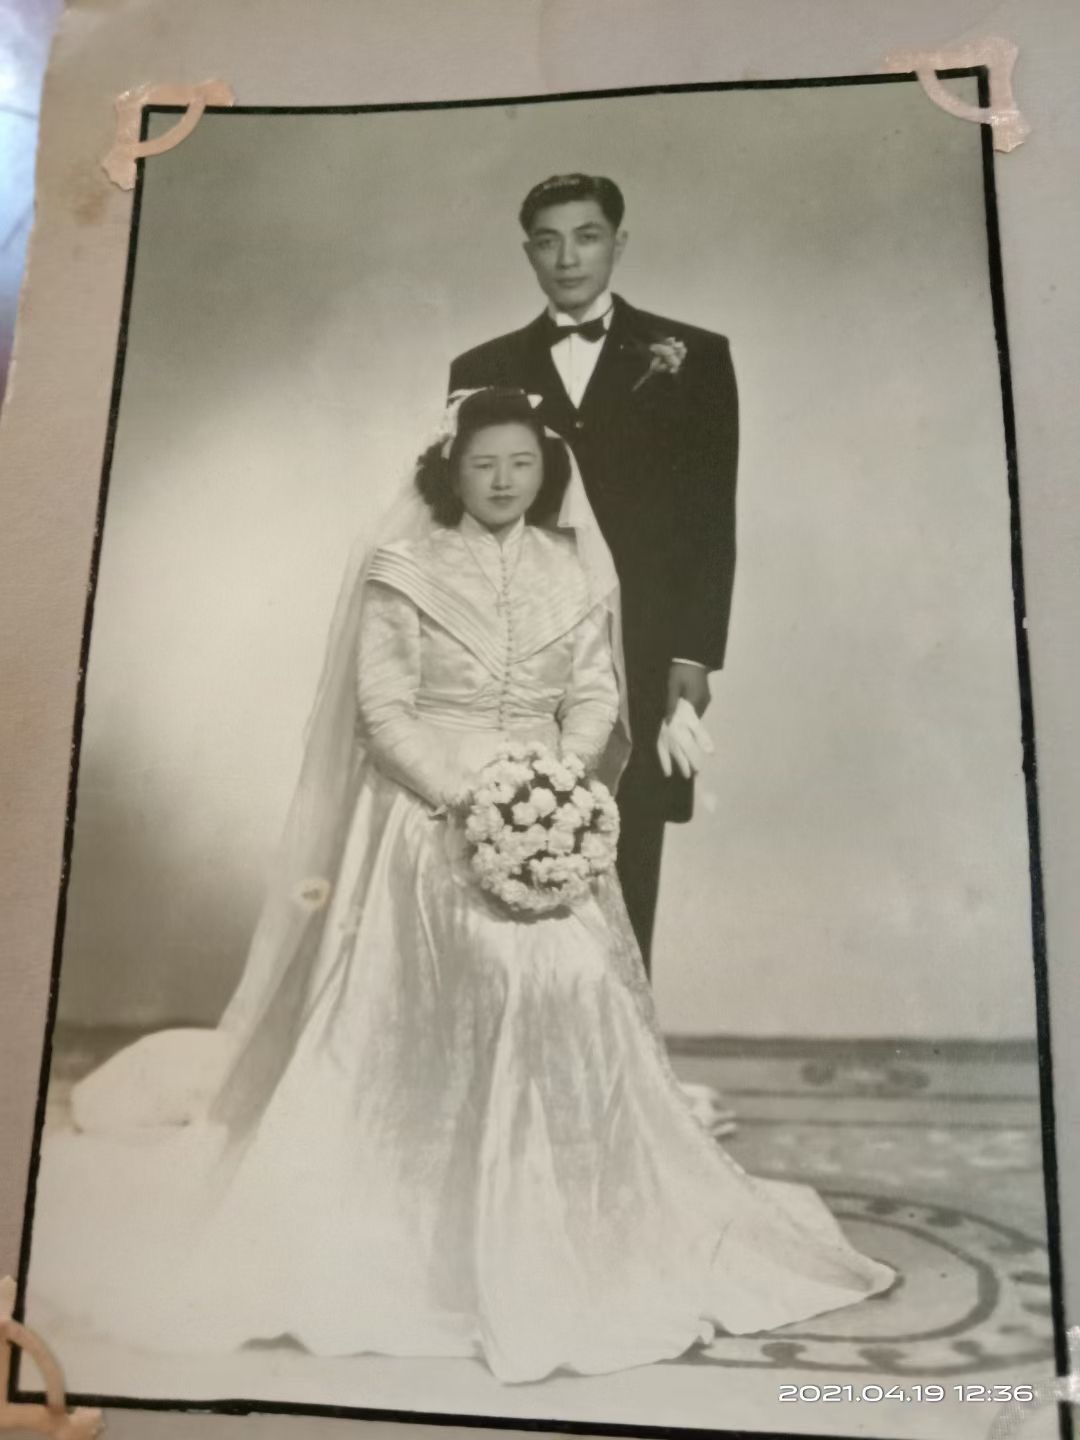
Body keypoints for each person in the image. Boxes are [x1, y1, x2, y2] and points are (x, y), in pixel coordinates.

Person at [27, 390, 893, 1387]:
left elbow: (594, 696)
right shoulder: (406, 566)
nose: (504, 481)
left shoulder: (573, 569)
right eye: (484, 464)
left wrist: (553, 788)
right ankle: (438, 1222)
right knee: (479, 978)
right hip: (427, 813)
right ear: (452, 470)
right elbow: (383, 710)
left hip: (543, 808)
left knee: (576, 984)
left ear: (545, 470)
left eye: (522, 463)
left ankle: (568, 1217)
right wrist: (468, 798)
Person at [449, 174, 738, 982]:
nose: (568, 257)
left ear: (618, 242)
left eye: (586, 236)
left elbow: (711, 517)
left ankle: (621, 1034)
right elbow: (457, 514)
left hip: (641, 637)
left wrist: (694, 652)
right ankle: (521, 1033)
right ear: (528, 253)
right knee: (507, 825)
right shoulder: (482, 367)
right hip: (520, 639)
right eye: (548, 241)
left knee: (625, 824)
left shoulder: (695, 357)